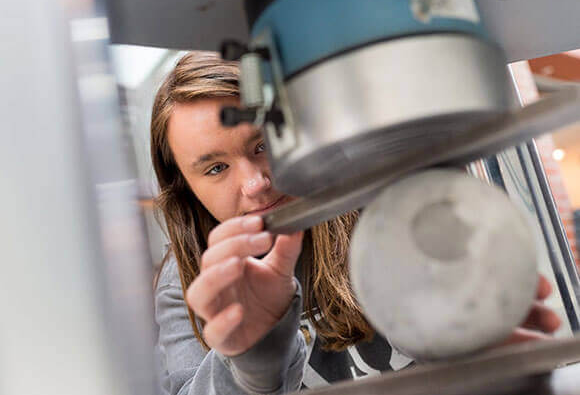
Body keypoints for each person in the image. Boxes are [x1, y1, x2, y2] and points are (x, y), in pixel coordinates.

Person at [151, 51, 561, 395]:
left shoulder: (380, 206)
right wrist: (250, 363)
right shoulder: (182, 280)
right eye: (216, 168)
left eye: (263, 145)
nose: (256, 183)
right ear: (186, 186)